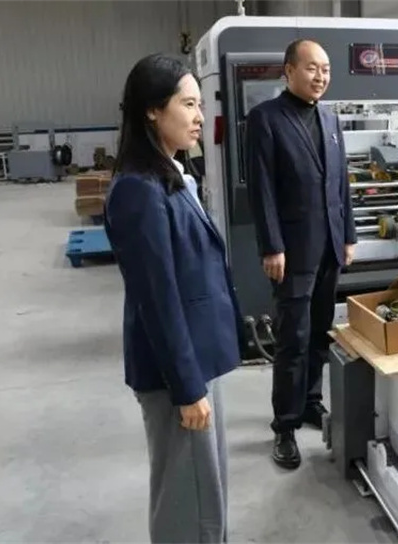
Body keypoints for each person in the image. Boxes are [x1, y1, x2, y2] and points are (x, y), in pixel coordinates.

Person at [104, 53, 245, 542]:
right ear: (151, 110)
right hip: (176, 375)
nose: (199, 116)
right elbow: (157, 298)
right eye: (188, 104)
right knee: (189, 502)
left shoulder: (170, 174)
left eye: (200, 104)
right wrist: (187, 389)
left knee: (207, 490)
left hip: (196, 361)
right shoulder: (137, 190)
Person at [245, 38, 356, 470]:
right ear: (288, 70)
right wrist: (271, 245)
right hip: (291, 252)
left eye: (325, 69)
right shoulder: (266, 119)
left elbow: (342, 184)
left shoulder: (330, 118)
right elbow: (261, 189)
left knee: (321, 332)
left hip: (329, 247)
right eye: (312, 68)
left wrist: (348, 235)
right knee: (292, 338)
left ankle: (310, 401)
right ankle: (285, 426)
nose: (320, 76)